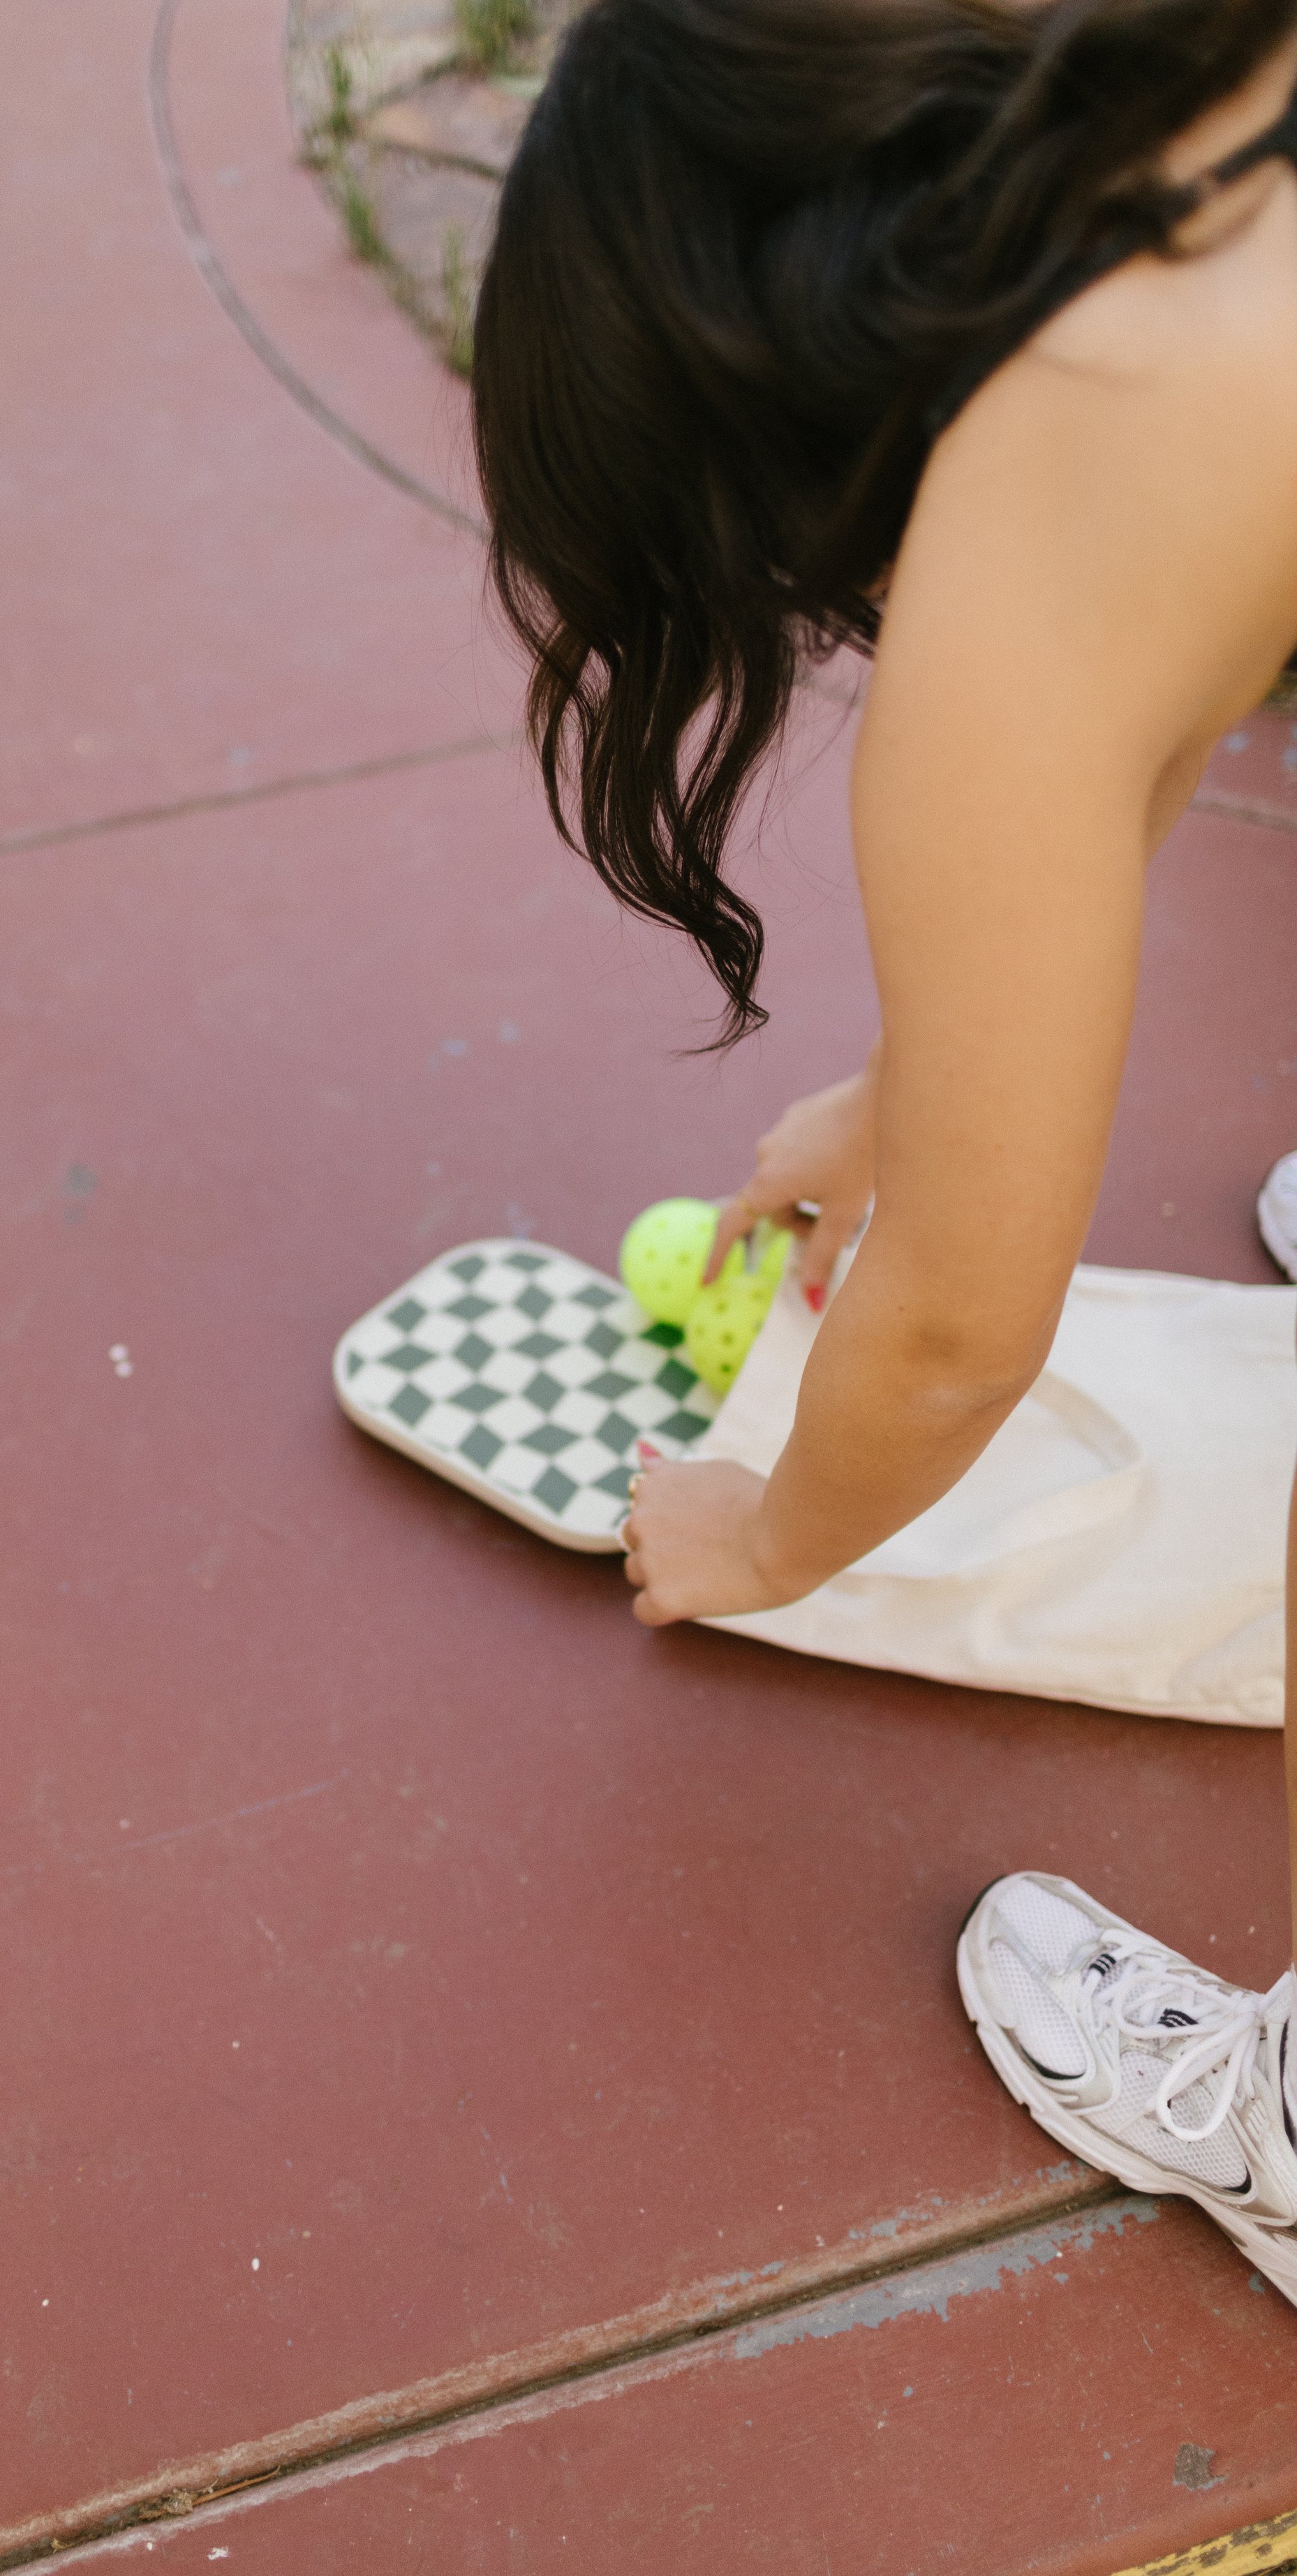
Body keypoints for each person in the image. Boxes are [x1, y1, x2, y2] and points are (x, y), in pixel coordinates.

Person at [472, 0, 1297, 2299]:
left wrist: (768, 1531)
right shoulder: (1197, 136)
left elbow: (947, 1331)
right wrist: (912, 1094)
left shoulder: (1017, 538)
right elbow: (1172, 695)